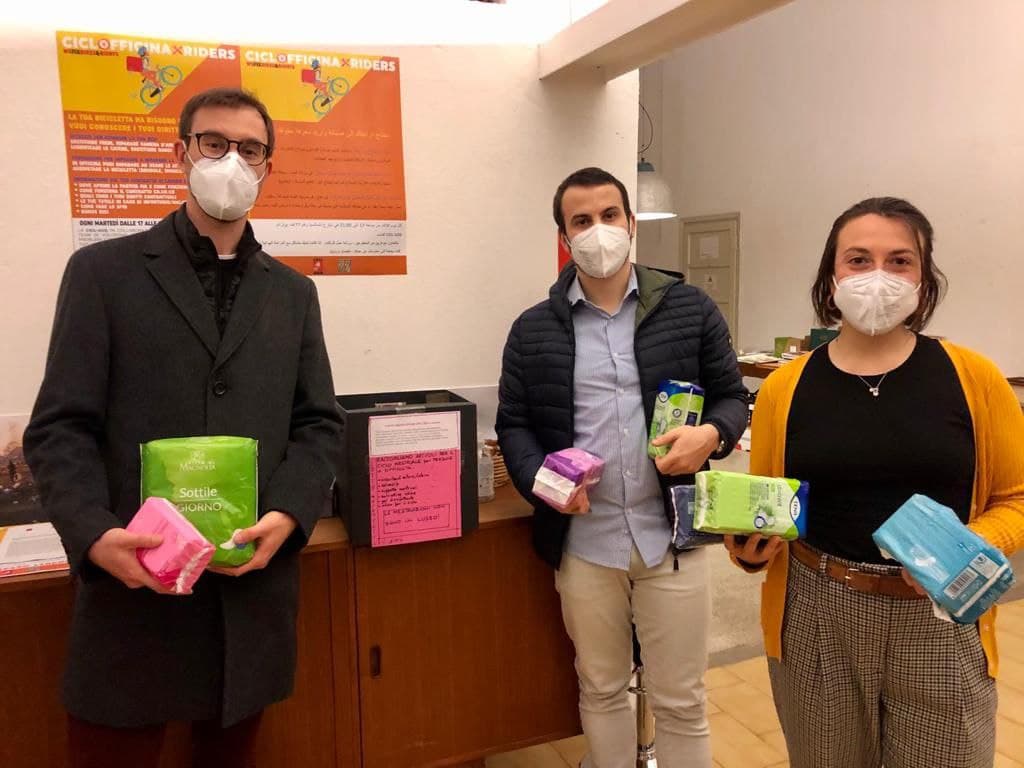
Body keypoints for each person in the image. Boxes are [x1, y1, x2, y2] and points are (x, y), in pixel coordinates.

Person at [24, 87, 343, 768]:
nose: (231, 161)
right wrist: (93, 533)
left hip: (246, 594)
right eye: (214, 143)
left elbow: (318, 423)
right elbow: (59, 427)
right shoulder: (103, 274)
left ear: (268, 167)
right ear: (182, 152)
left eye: (250, 149)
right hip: (134, 590)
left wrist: (290, 514)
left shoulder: (293, 293)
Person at [725, 197, 1024, 768]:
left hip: (939, 617)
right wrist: (749, 549)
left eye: (900, 260)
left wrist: (970, 547)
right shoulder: (785, 388)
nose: (878, 276)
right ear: (832, 275)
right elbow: (767, 504)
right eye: (859, 259)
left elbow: (1017, 498)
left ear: (924, 278)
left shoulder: (975, 378)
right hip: (816, 612)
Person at [497, 167, 748, 768]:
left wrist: (711, 435)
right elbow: (514, 426)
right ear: (565, 237)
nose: (599, 231)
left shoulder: (690, 308)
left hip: (671, 540)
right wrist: (542, 483)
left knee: (681, 698)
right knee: (601, 687)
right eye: (581, 221)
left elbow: (733, 398)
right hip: (584, 542)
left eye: (610, 215)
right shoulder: (533, 330)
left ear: (631, 223)